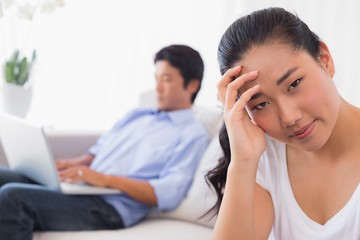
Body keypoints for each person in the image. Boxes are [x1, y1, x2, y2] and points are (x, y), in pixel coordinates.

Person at [0, 44, 210, 239]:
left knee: (13, 198)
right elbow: (98, 151)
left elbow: (168, 194)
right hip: (84, 188)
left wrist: (105, 179)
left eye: (166, 79)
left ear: (192, 85)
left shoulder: (192, 135)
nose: (157, 87)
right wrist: (76, 164)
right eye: (156, 78)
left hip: (109, 208)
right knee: (3, 175)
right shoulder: (138, 115)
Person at [206, 7, 360, 240]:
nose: (289, 118)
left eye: (294, 83)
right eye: (261, 104)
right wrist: (243, 161)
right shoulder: (267, 157)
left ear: (325, 60)